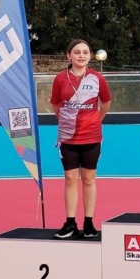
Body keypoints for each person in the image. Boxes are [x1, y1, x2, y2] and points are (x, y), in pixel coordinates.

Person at [50, 39, 111, 239]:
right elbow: (56, 105)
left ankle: (89, 222)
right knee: (70, 179)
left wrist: (96, 120)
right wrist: (67, 121)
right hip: (68, 138)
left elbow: (106, 102)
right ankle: (70, 222)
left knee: (88, 179)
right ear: (69, 56)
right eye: (77, 52)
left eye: (85, 52)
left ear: (90, 56)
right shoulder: (60, 78)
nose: (81, 55)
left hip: (91, 137)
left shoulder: (97, 78)